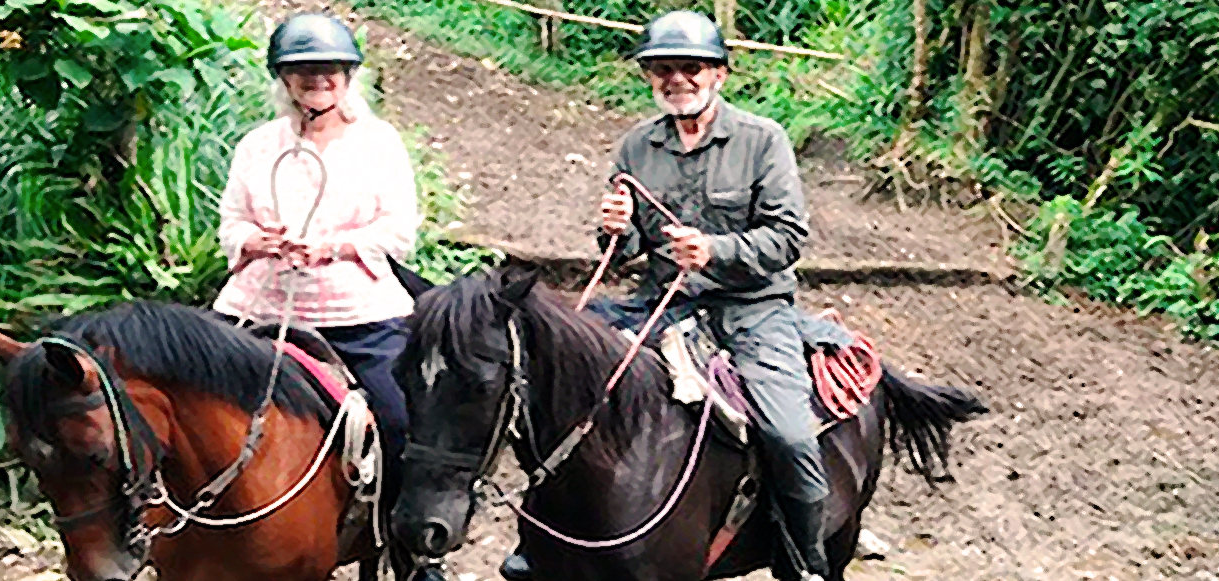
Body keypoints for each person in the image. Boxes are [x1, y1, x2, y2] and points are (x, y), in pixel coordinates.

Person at [500, 10, 829, 581]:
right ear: (650, 78)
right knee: (564, 389)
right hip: (659, 303)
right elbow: (622, 248)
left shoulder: (762, 140)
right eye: (662, 70)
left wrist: (716, 251)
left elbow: (788, 237)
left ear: (720, 74)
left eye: (691, 68)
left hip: (751, 309)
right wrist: (615, 228)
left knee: (789, 433)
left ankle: (805, 560)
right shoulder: (636, 146)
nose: (677, 79)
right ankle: (540, 540)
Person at [210, 11, 418, 544]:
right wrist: (256, 241)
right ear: (283, 79)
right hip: (258, 307)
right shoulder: (258, 145)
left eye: (330, 70)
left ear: (348, 77)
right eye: (303, 71)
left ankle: (409, 540)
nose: (317, 79)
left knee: (400, 420)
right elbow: (230, 221)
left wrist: (336, 248)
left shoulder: (379, 142)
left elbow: (399, 230)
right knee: (192, 409)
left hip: (357, 313)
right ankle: (189, 527)